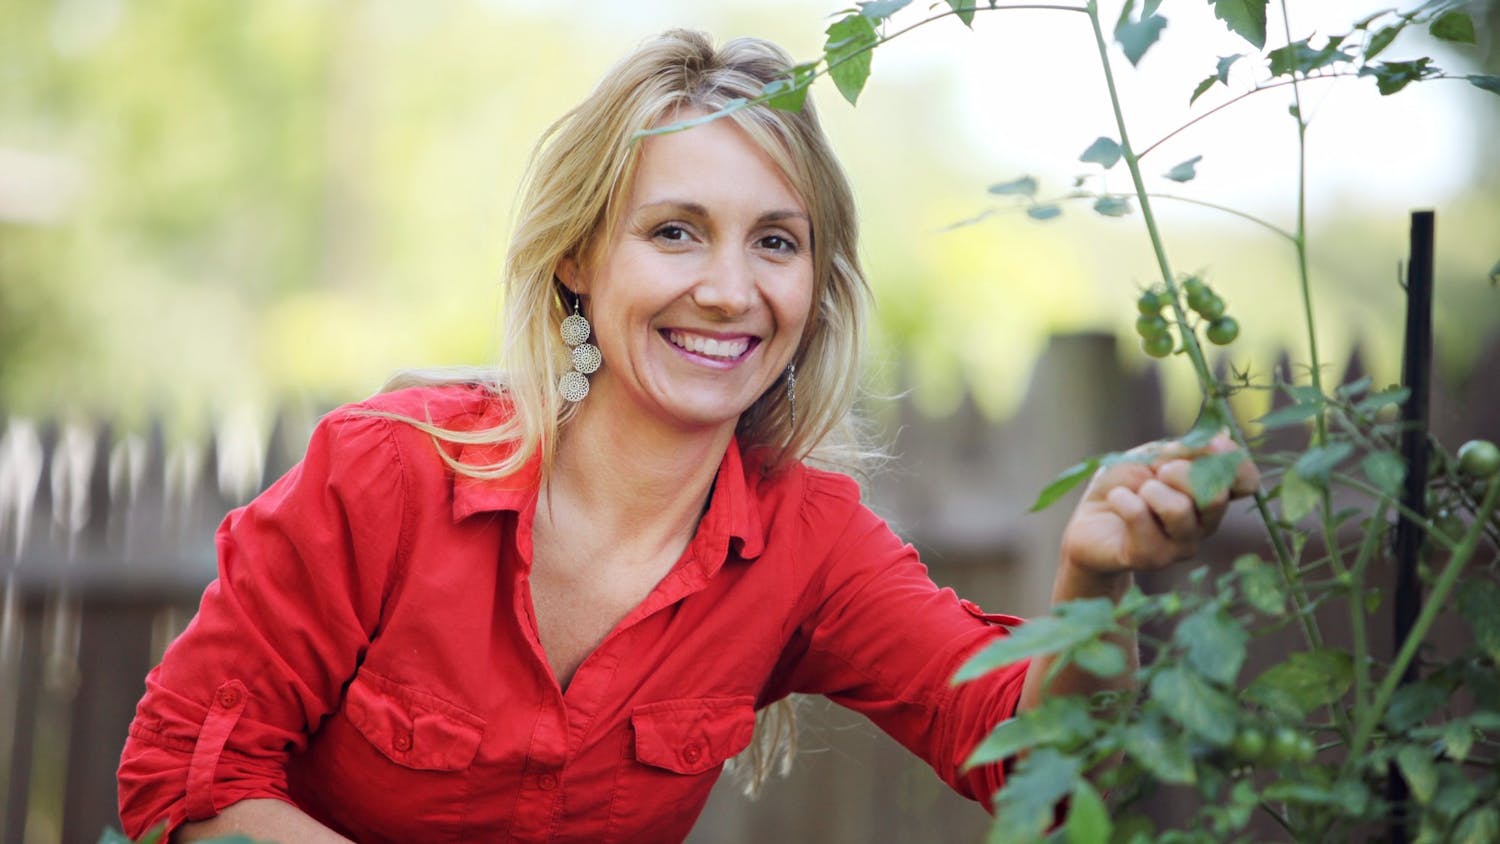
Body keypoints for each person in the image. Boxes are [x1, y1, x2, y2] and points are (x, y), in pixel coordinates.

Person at [117, 29, 1256, 843]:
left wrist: (1093, 577)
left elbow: (1025, 762)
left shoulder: (809, 543)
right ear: (579, 257)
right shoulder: (388, 470)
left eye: (775, 242)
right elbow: (180, 775)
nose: (729, 288)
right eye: (675, 231)